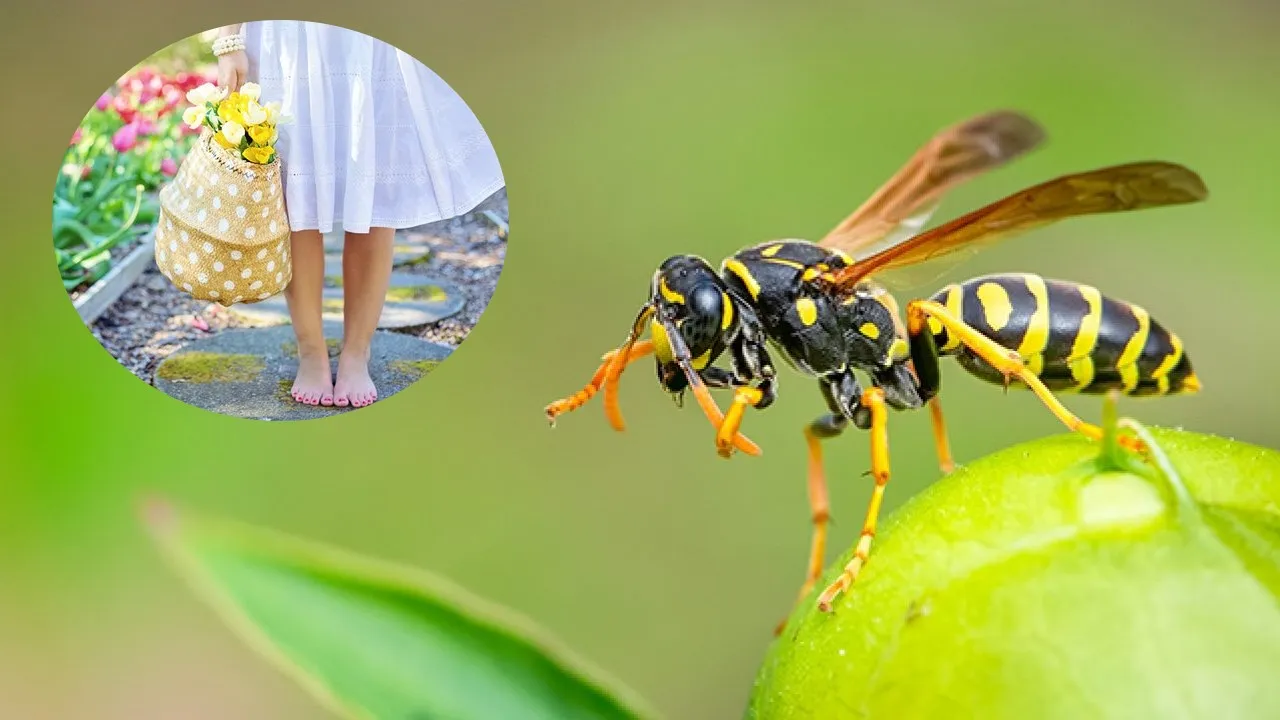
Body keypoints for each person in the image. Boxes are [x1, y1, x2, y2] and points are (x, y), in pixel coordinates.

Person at [213, 21, 504, 408]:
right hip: (286, 33)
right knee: (292, 192)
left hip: (370, 41)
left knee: (374, 182)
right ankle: (312, 351)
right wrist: (228, 39)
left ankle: (356, 352)